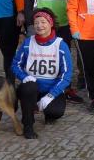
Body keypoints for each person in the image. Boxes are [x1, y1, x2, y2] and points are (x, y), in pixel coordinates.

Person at [12, 8, 72, 139]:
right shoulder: (28, 43)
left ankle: (47, 112)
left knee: (55, 111)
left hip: (51, 89)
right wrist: (24, 77)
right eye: (36, 23)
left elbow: (66, 76)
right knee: (29, 87)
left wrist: (51, 96)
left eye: (43, 22)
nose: (39, 26)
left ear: (51, 24)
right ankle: (28, 124)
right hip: (31, 87)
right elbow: (15, 64)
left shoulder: (61, 45)